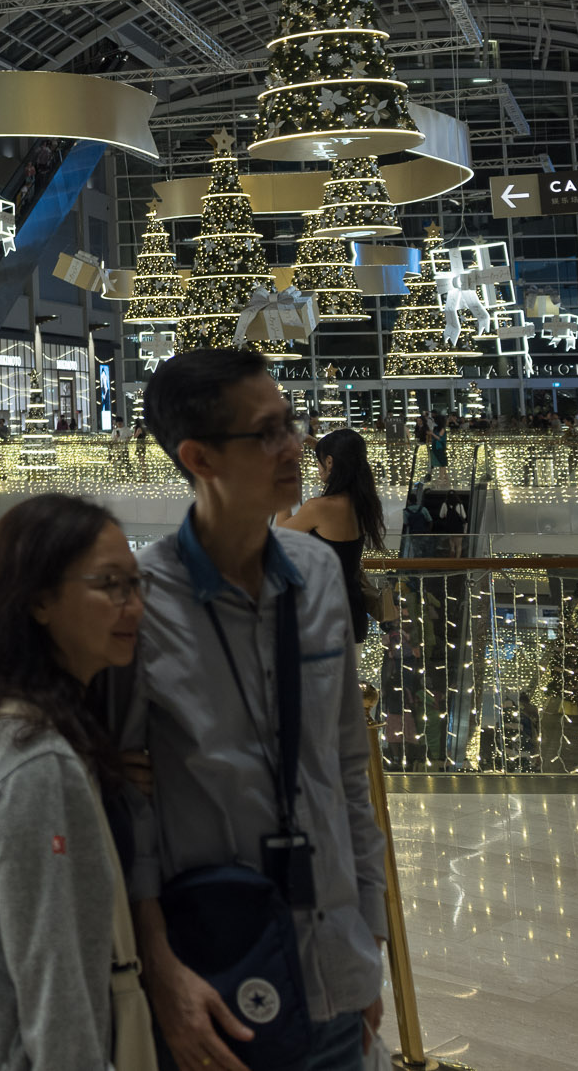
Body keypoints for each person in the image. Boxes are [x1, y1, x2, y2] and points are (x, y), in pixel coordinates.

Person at [124, 351, 387, 1071]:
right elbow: (135, 822)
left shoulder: (320, 575)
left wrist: (373, 943)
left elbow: (349, 773)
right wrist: (160, 971)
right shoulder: (141, 603)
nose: (295, 447)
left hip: (339, 970)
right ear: (198, 457)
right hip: (219, 982)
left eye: (291, 425)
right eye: (268, 432)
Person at [0, 493, 148, 1071]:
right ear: (39, 599)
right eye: (109, 584)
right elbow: (57, 990)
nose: (132, 606)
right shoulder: (36, 765)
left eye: (135, 584)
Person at [278, 428, 388, 643]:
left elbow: (281, 535)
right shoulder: (363, 501)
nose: (316, 467)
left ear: (329, 462)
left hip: (323, 615)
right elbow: (349, 457)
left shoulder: (319, 508)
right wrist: (311, 441)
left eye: (319, 461)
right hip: (354, 613)